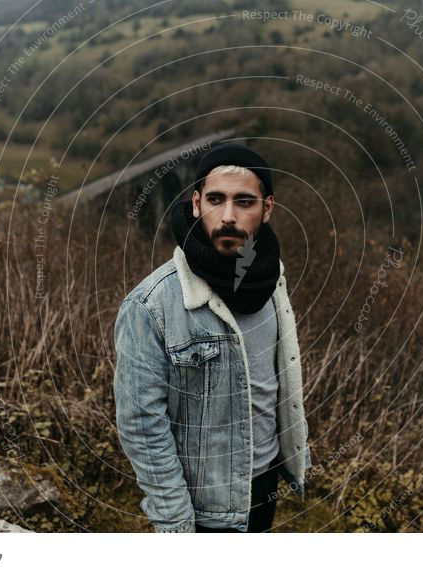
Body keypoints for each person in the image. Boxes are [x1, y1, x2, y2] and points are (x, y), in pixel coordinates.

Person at [113, 142, 312, 533]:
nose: (228, 216)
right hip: (203, 506)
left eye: (244, 202)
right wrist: (175, 522)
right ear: (195, 204)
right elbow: (141, 425)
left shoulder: (271, 280)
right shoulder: (152, 305)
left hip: (264, 484)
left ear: (267, 209)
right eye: (216, 199)